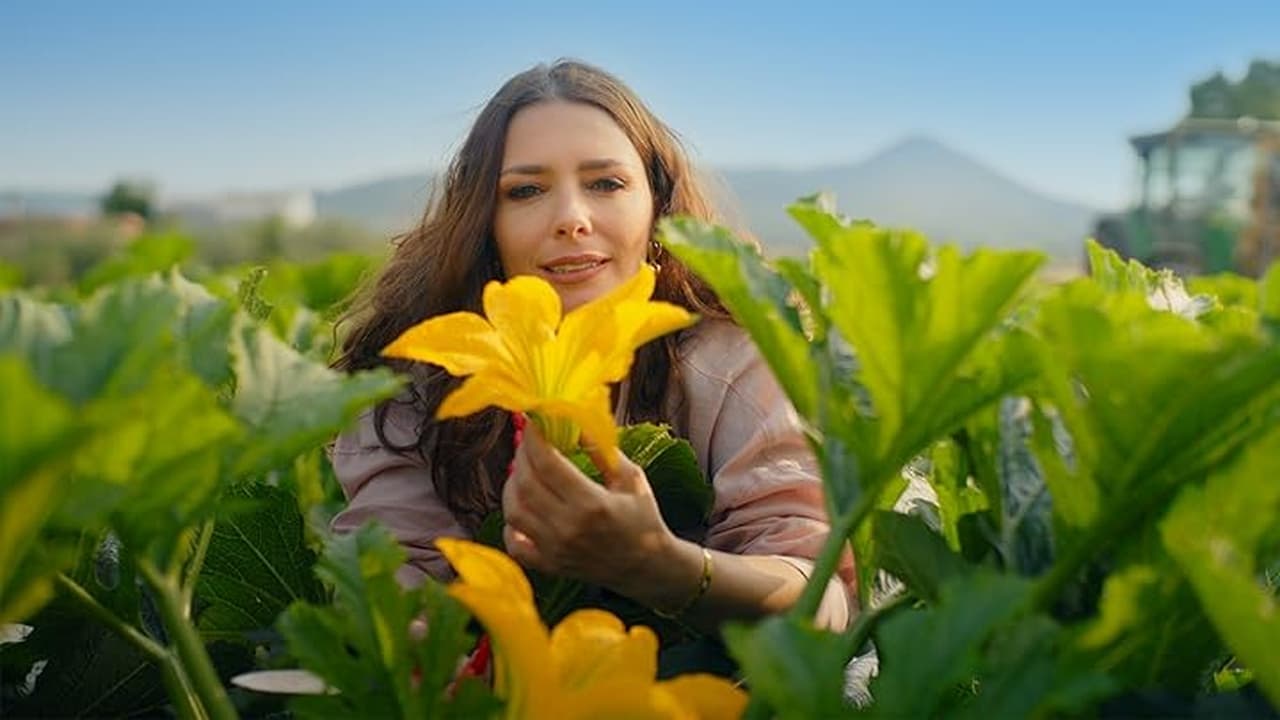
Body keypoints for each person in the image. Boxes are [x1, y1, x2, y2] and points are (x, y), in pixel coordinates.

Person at [328, 59, 856, 652]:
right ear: (485, 224)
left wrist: (662, 566)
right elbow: (393, 592)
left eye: (605, 183)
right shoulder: (413, 378)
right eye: (525, 190)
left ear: (656, 206)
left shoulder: (730, 362)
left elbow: (823, 602)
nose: (571, 220)